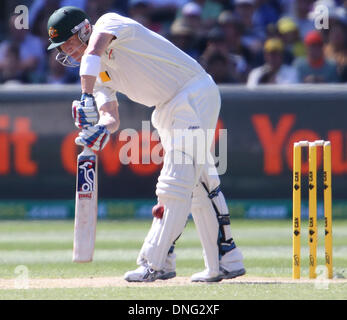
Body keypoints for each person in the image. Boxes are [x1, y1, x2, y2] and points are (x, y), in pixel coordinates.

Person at [46, 6, 245, 282]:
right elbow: (110, 117)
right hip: (166, 108)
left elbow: (93, 52)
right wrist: (99, 131)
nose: (68, 52)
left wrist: (84, 96)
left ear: (84, 31)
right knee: (197, 183)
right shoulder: (94, 72)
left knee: (174, 185)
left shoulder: (108, 24)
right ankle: (226, 258)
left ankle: (157, 261)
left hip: (192, 92)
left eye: (68, 43)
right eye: (62, 48)